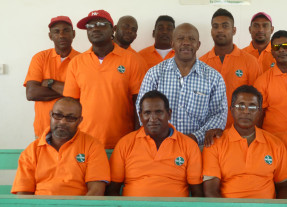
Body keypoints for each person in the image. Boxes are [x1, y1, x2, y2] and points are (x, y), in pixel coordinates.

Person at [63, 10, 146, 149]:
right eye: (90, 26)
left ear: (112, 29)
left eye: (101, 24)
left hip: (122, 142)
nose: (95, 28)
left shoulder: (133, 61)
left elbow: (140, 103)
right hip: (84, 141)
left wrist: (136, 138)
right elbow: (70, 105)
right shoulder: (76, 63)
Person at [136, 23, 227, 147]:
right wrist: (162, 136)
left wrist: (195, 137)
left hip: (199, 147)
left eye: (191, 39)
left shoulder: (214, 78)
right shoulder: (154, 73)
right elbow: (141, 109)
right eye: (180, 38)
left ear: (198, 45)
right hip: (160, 145)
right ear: (172, 43)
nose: (186, 43)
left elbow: (219, 114)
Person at [203, 85, 287, 198]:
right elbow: (210, 191)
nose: (246, 111)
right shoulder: (215, 143)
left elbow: (285, 187)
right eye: (240, 106)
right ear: (231, 109)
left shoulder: (275, 144)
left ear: (260, 112)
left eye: (252, 107)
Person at [107, 91, 203, 197]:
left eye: (158, 112)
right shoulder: (125, 143)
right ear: (140, 116)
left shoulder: (188, 145)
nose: (153, 118)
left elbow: (197, 192)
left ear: (169, 114)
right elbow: (112, 190)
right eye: (147, 113)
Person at [11, 97, 110, 195]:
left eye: (70, 118)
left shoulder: (93, 146)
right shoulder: (32, 150)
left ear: (79, 121)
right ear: (50, 115)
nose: (62, 122)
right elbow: (23, 193)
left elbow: (96, 191)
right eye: (58, 115)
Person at [200, 8, 262, 130]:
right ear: (211, 31)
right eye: (215, 26)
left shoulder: (249, 61)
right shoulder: (201, 63)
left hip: (241, 131)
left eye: (225, 26)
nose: (220, 30)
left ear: (234, 30)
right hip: (208, 132)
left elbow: (258, 101)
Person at [24, 16, 80, 137]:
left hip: (74, 131)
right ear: (50, 36)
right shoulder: (40, 58)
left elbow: (85, 93)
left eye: (66, 30)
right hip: (44, 130)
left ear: (73, 34)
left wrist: (51, 83)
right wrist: (71, 91)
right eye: (56, 31)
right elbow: (32, 93)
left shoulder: (83, 60)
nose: (61, 35)